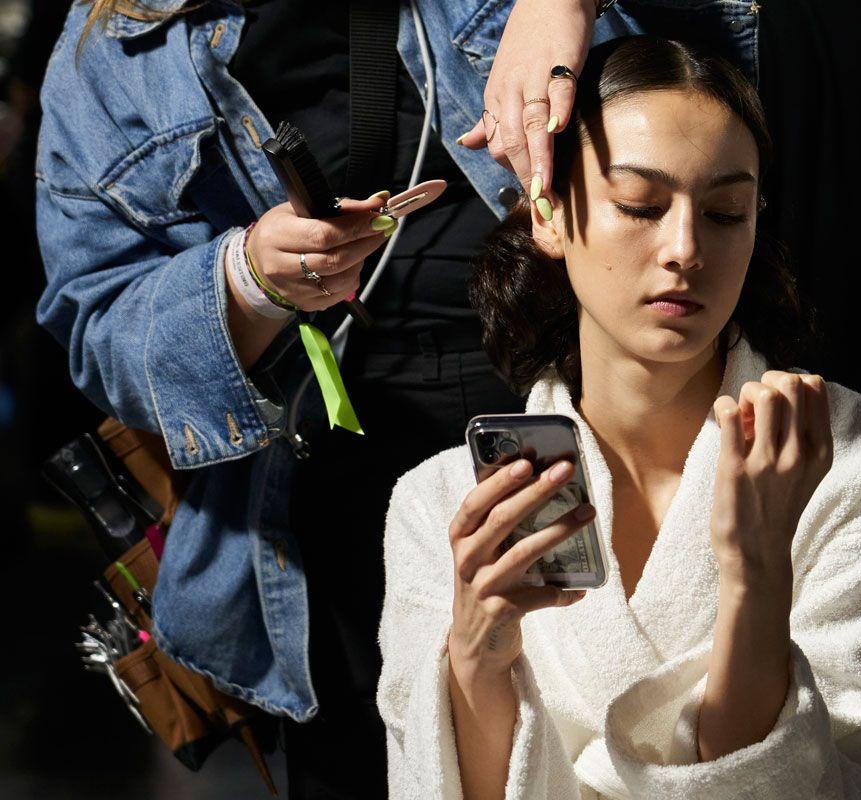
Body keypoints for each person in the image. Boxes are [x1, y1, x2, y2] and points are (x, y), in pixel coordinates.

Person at [35, 1, 759, 796]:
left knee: (615, 737)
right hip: (320, 500)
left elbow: (713, 129)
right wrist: (248, 281)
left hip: (579, 423)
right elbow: (97, 335)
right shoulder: (118, 44)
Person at [378, 36, 861, 799]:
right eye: (640, 205)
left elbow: (844, 780)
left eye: (725, 213)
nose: (685, 249)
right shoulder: (437, 507)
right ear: (548, 214)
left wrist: (758, 580)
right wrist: (476, 660)